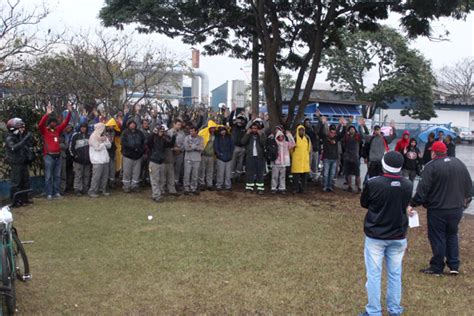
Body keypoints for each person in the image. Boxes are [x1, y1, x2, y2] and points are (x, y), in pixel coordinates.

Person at [360, 151, 413, 316]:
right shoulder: (408, 184)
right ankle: (394, 309)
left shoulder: (373, 183)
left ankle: (375, 311)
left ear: (384, 164)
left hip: (376, 235)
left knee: (374, 275)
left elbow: (364, 203)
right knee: (395, 274)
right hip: (398, 234)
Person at [409, 141, 472, 276]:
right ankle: (454, 264)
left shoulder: (431, 166)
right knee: (452, 234)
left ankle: (437, 266)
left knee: (438, 237)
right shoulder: (459, 163)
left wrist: (413, 203)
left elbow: (422, 190)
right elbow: (469, 186)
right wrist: (466, 201)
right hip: (456, 208)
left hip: (438, 209)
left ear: (433, 153)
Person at [39, 102, 72, 200]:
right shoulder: (44, 131)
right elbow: (40, 125)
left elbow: (65, 123)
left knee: (57, 176)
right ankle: (49, 193)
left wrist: (69, 111)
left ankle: (57, 192)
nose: (54, 124)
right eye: (52, 123)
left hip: (58, 156)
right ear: (48, 124)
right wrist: (47, 114)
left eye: (55, 123)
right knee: (49, 176)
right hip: (48, 156)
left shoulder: (57, 130)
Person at [5, 118, 33, 207]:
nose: (22, 130)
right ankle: (15, 201)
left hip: (23, 162)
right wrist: (24, 140)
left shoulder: (19, 136)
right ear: (13, 128)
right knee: (16, 183)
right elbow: (14, 148)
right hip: (15, 163)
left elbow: (24, 147)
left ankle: (25, 199)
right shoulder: (9, 138)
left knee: (26, 181)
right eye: (20, 128)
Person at [148, 125, 175, 202]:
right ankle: (156, 195)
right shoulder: (153, 138)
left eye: (162, 131)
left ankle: (156, 194)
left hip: (161, 161)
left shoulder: (163, 139)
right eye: (160, 131)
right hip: (154, 161)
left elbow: (170, 144)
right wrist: (153, 134)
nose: (162, 132)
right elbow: (148, 143)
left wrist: (174, 136)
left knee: (160, 179)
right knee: (154, 179)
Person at [319, 117, 345, 192]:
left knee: (332, 173)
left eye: (334, 133)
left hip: (334, 158)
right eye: (331, 132)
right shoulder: (325, 137)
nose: (333, 134)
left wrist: (344, 125)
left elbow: (342, 134)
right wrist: (322, 123)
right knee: (326, 173)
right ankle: (325, 186)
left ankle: (330, 186)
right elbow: (320, 133)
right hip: (326, 158)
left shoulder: (336, 138)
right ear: (329, 132)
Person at [241, 121, 266, 194]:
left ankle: (260, 188)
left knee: (260, 173)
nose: (254, 130)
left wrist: (260, 134)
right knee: (249, 173)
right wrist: (247, 133)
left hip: (259, 157)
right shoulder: (248, 135)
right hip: (250, 157)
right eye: (253, 128)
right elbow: (242, 142)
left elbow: (263, 143)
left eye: (256, 128)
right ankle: (249, 188)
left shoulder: (262, 134)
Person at [121, 120, 146, 193]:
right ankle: (126, 186)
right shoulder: (125, 133)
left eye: (133, 124)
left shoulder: (139, 133)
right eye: (131, 124)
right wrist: (133, 147)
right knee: (127, 172)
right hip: (128, 155)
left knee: (136, 172)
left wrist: (140, 149)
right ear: (128, 125)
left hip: (138, 156)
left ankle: (134, 186)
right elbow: (123, 143)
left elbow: (143, 141)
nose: (132, 125)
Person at [88, 122, 112, 198]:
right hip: (97, 160)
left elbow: (109, 145)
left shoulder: (103, 136)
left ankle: (103, 189)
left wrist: (104, 141)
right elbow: (97, 147)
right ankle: (92, 191)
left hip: (105, 159)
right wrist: (103, 143)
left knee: (105, 177)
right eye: (103, 128)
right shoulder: (93, 136)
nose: (104, 130)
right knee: (96, 177)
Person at [271, 128, 295, 194]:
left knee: (282, 176)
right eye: (279, 136)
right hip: (276, 162)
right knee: (275, 176)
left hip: (283, 163)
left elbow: (293, 144)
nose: (281, 137)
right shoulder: (275, 143)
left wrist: (289, 136)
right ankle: (274, 187)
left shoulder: (286, 143)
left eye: (282, 136)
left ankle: (282, 188)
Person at [70, 122, 91, 196]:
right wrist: (75, 156)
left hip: (88, 160)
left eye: (84, 127)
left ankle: (85, 189)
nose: (83, 128)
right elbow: (71, 148)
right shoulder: (75, 136)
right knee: (78, 175)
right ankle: (77, 189)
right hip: (78, 160)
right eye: (82, 127)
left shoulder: (89, 136)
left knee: (86, 175)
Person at [183, 125, 204, 195]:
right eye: (190, 131)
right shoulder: (186, 138)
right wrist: (196, 146)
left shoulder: (201, 138)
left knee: (195, 174)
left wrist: (192, 145)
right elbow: (186, 148)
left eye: (192, 131)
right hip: (188, 158)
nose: (191, 132)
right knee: (187, 173)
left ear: (196, 131)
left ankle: (193, 188)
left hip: (197, 159)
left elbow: (201, 148)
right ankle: (186, 188)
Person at [342, 124, 363, 193]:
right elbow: (343, 142)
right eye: (350, 129)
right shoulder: (346, 137)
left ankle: (359, 188)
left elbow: (363, 135)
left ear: (355, 130)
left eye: (353, 129)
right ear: (348, 131)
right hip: (348, 157)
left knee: (357, 174)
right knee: (348, 173)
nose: (352, 130)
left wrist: (361, 126)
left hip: (355, 157)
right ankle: (350, 186)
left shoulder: (357, 137)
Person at [213, 126, 235, 191]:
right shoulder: (217, 138)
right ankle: (219, 185)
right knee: (220, 172)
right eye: (221, 131)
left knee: (228, 173)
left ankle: (228, 186)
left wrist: (230, 154)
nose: (223, 132)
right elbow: (216, 147)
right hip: (220, 158)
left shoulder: (229, 137)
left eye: (224, 130)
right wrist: (219, 154)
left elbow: (232, 146)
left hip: (229, 157)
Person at [198, 120, 218, 190]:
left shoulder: (215, 135)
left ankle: (209, 184)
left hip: (211, 155)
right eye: (212, 128)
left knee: (210, 170)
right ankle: (202, 183)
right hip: (204, 154)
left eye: (214, 128)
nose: (213, 129)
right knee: (202, 170)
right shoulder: (203, 133)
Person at [291, 125, 311, 194]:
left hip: (304, 161)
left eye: (303, 130)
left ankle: (303, 189)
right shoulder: (295, 138)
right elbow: (291, 150)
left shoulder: (307, 138)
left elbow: (309, 149)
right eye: (300, 130)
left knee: (304, 177)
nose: (301, 131)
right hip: (297, 161)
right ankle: (295, 189)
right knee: (295, 177)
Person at [161, 125, 179, 197]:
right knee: (162, 177)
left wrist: (174, 137)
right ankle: (162, 190)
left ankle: (172, 190)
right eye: (163, 130)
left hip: (170, 159)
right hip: (162, 160)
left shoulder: (169, 137)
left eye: (165, 130)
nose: (164, 132)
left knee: (171, 176)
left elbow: (172, 144)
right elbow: (167, 145)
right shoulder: (158, 138)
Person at [168, 119, 186, 188]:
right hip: (171, 154)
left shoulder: (182, 133)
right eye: (178, 124)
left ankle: (176, 182)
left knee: (178, 168)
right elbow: (167, 143)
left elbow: (184, 143)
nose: (179, 126)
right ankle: (170, 183)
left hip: (180, 153)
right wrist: (173, 149)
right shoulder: (169, 132)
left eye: (180, 125)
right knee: (170, 168)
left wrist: (180, 149)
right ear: (174, 124)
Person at [230, 115, 248, 181]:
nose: (240, 121)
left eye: (241, 120)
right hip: (235, 147)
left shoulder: (244, 128)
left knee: (240, 163)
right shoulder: (234, 127)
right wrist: (233, 114)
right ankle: (232, 176)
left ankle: (238, 176)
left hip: (242, 147)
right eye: (239, 120)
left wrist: (244, 118)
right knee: (233, 162)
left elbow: (246, 122)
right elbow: (230, 122)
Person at [303, 118, 320, 183]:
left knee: (315, 165)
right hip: (308, 151)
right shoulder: (305, 133)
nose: (307, 124)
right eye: (306, 123)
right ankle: (308, 177)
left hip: (315, 149)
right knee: (308, 164)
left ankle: (314, 178)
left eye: (308, 123)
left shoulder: (314, 131)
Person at [60, 124, 74, 194]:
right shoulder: (63, 134)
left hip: (70, 154)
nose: (69, 128)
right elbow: (63, 145)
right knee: (63, 171)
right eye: (67, 127)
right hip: (64, 153)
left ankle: (69, 186)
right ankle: (63, 187)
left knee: (70, 171)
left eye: (70, 127)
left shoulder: (73, 134)